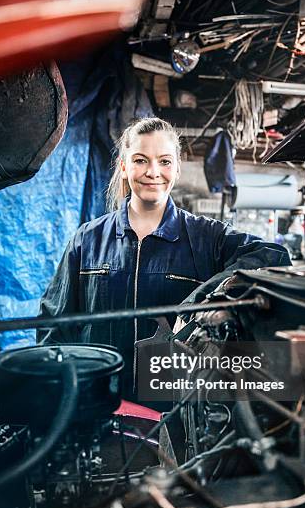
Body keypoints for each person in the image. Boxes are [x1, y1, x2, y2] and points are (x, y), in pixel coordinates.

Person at [38, 117, 290, 399]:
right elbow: (53, 326)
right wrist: (62, 395)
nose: (153, 172)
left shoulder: (206, 237)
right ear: (124, 167)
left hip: (174, 412)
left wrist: (204, 299)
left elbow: (273, 256)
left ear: (177, 169)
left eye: (165, 161)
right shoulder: (87, 240)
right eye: (140, 160)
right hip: (98, 406)